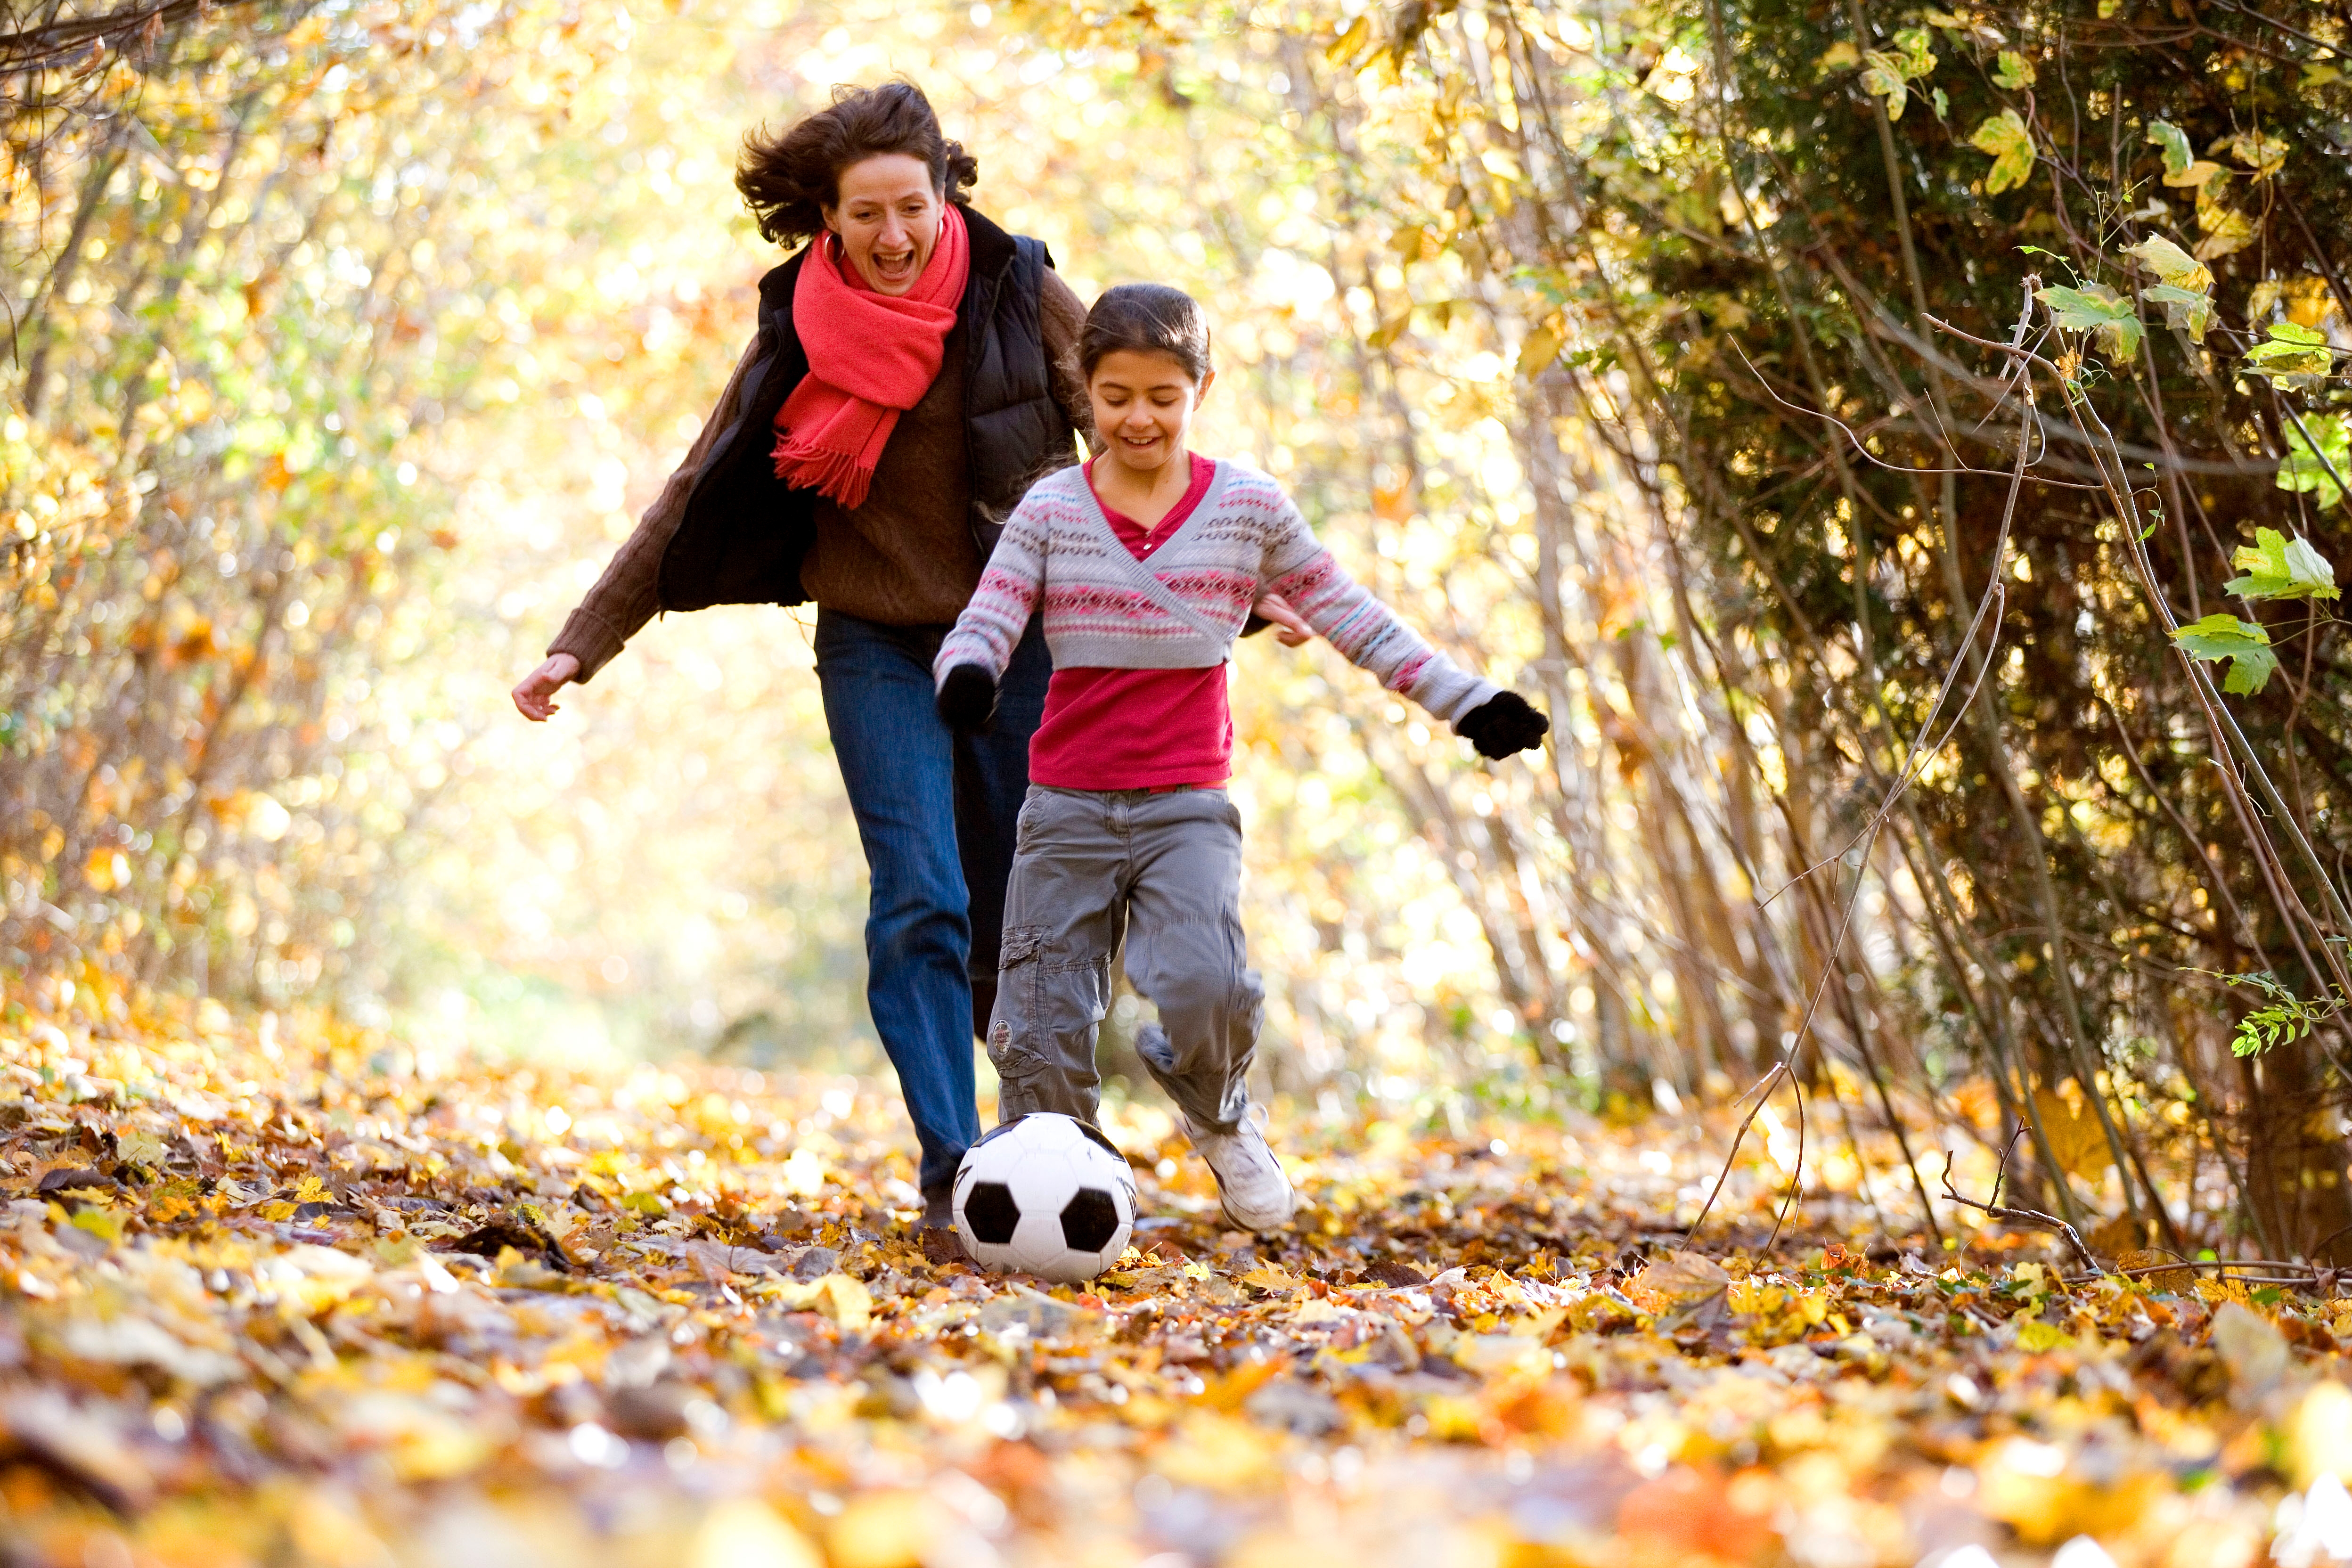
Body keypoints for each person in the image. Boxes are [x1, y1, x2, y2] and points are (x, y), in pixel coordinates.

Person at [509, 82, 1092, 1252]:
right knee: (920, 893)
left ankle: (1053, 1149)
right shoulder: (801, 321)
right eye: (864, 215)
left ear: (946, 196)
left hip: (1019, 639)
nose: (891, 237)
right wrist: (586, 636)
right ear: (825, 218)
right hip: (873, 642)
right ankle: (953, 1166)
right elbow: (697, 481)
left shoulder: (1020, 289)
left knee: (1021, 919)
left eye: (911, 210)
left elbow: (1134, 437)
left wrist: (1246, 582)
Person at [930, 283, 1550, 1230]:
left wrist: (1467, 704)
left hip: (1186, 806)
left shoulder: (1248, 509)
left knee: (1208, 985)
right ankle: (1053, 1196)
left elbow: (1349, 614)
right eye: (1117, 396)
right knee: (1040, 1019)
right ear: (1084, 392)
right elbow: (992, 612)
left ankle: (1217, 1112)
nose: (1139, 417)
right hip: (1065, 804)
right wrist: (969, 671)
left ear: (1201, 390)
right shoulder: (1053, 510)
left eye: (1163, 396)